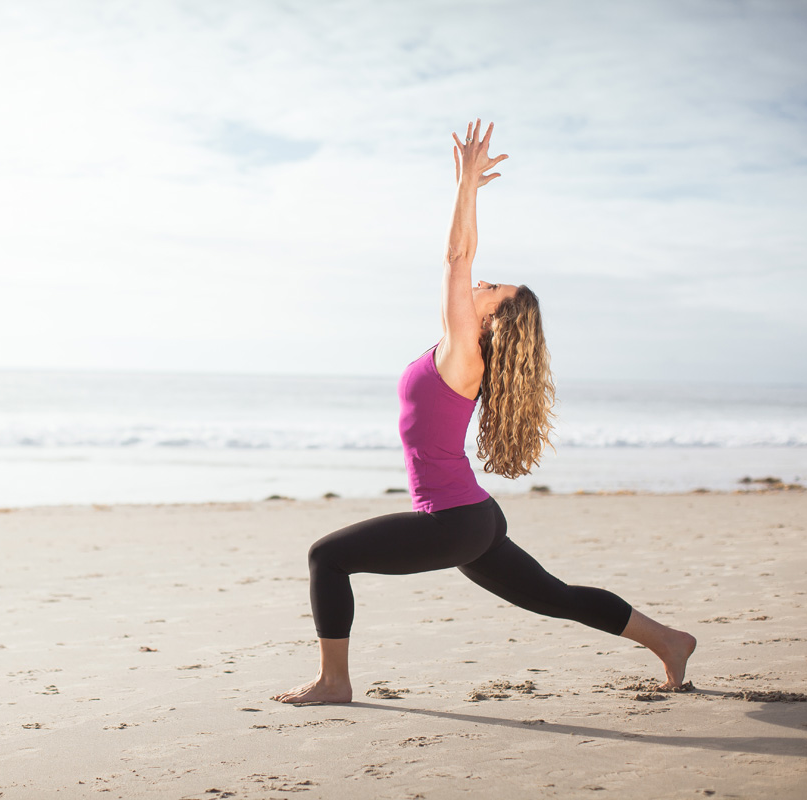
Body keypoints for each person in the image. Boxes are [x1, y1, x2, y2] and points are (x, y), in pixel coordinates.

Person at [273, 119, 696, 705]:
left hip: (455, 522)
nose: (478, 282)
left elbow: (455, 256)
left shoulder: (464, 353)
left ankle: (335, 682)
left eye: (489, 287)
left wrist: (466, 186)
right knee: (558, 597)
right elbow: (460, 265)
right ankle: (670, 641)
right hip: (472, 518)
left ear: (493, 320)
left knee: (328, 557)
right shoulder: (460, 356)